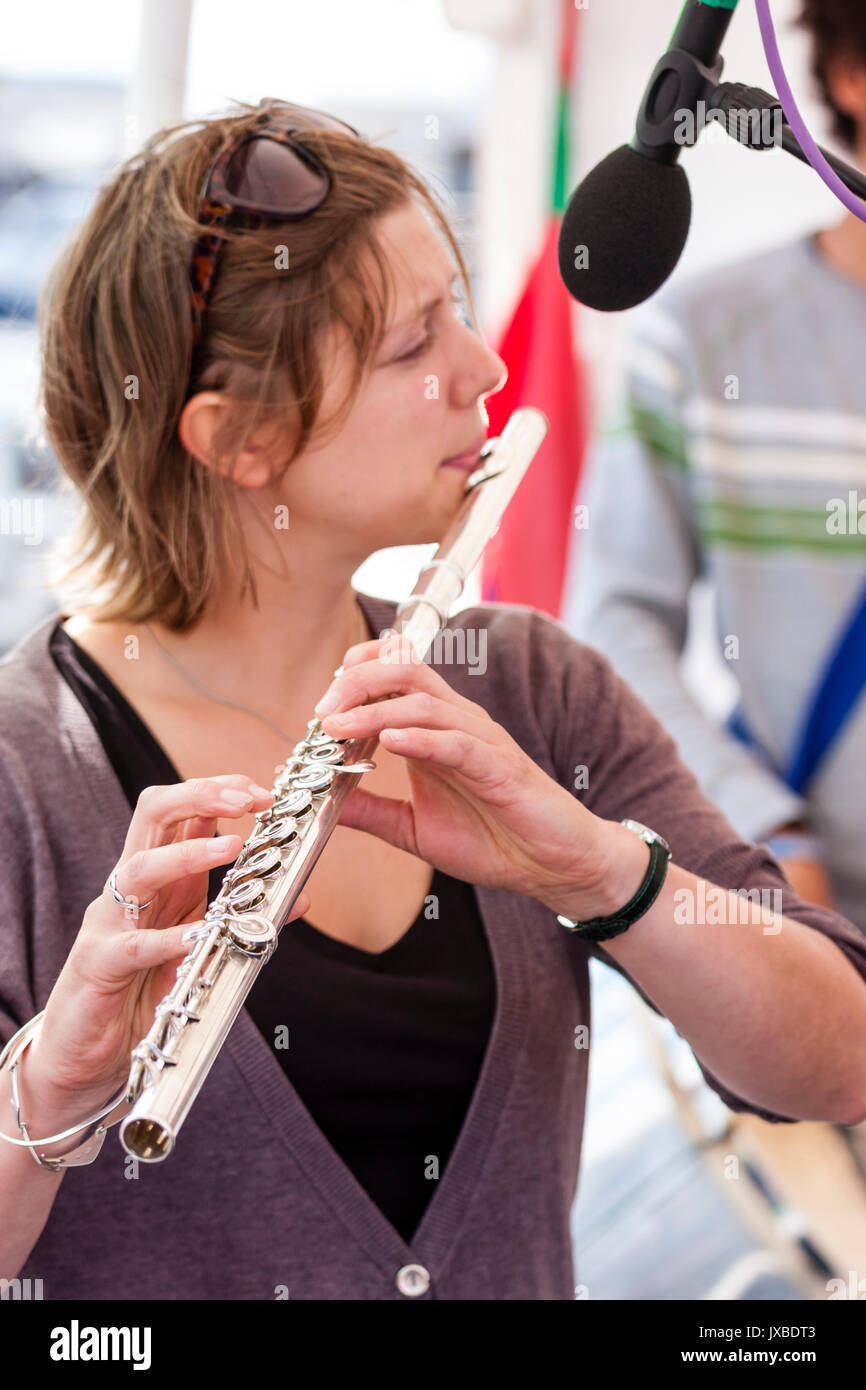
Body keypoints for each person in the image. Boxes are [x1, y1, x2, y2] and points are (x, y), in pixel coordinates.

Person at [2, 98, 866, 1303]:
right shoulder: (21, 773)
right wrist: (47, 1090)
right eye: (415, 347)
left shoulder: (528, 684)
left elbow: (840, 1063)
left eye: (455, 312)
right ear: (239, 437)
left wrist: (606, 878)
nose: (485, 368)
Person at [566, 0, 866, 934]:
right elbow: (614, 617)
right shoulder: (699, 335)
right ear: (853, 73)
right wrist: (756, 834)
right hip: (810, 932)